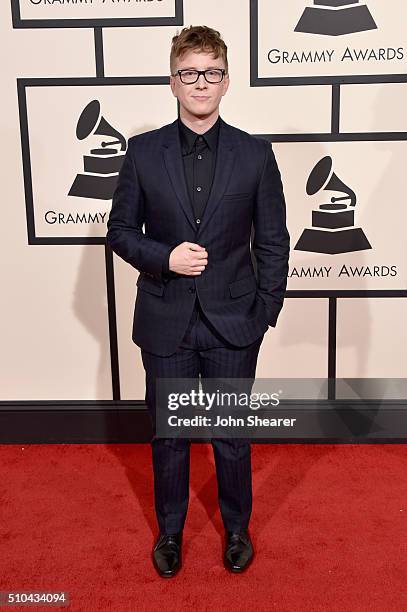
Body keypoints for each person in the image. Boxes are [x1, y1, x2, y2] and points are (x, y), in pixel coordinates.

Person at [106, 25, 290, 578]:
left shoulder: (256, 155)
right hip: (166, 321)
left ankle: (237, 527)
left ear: (226, 81)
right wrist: (165, 258)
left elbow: (274, 241)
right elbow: (118, 231)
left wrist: (263, 314)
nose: (201, 82)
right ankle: (170, 531)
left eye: (211, 72)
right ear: (173, 81)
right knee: (170, 436)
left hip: (235, 323)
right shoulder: (142, 152)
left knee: (232, 437)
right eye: (190, 73)